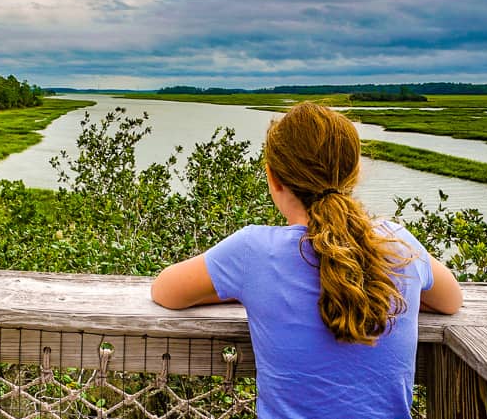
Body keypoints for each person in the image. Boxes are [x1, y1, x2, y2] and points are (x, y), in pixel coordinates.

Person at [150, 102, 462, 419]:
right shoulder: (398, 244)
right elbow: (450, 300)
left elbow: (166, 290)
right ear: (353, 173)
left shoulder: (253, 252)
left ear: (274, 178)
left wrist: (244, 289)